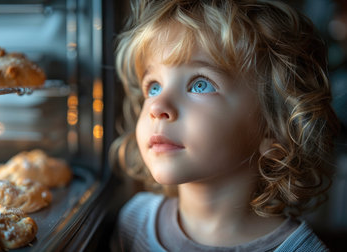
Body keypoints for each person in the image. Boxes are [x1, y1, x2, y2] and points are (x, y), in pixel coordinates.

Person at [109, 0, 340, 251]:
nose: (157, 107)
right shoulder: (133, 221)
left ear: (273, 127)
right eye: (153, 86)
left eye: (200, 84)